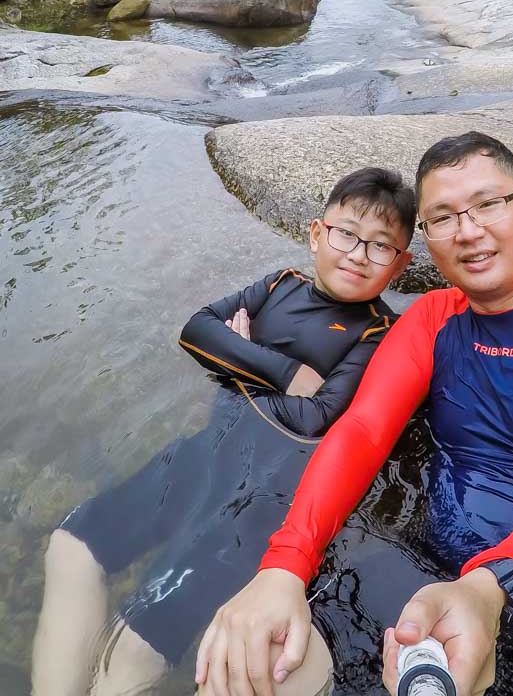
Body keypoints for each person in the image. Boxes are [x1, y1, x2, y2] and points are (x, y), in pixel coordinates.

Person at [195, 131, 513, 696]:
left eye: (487, 204)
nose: (468, 229)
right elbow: (362, 431)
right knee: (256, 656)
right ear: (428, 240)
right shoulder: (433, 317)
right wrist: (284, 565)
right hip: (427, 566)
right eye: (442, 216)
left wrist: (492, 587)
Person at [31, 167, 416, 696]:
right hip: (199, 459)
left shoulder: (377, 332)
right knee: (72, 545)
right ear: (316, 232)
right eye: (347, 233)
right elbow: (195, 330)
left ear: (401, 265)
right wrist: (281, 372)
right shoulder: (280, 284)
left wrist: (236, 358)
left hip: (258, 500)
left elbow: (317, 419)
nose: (357, 254)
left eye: (380, 247)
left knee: (131, 649)